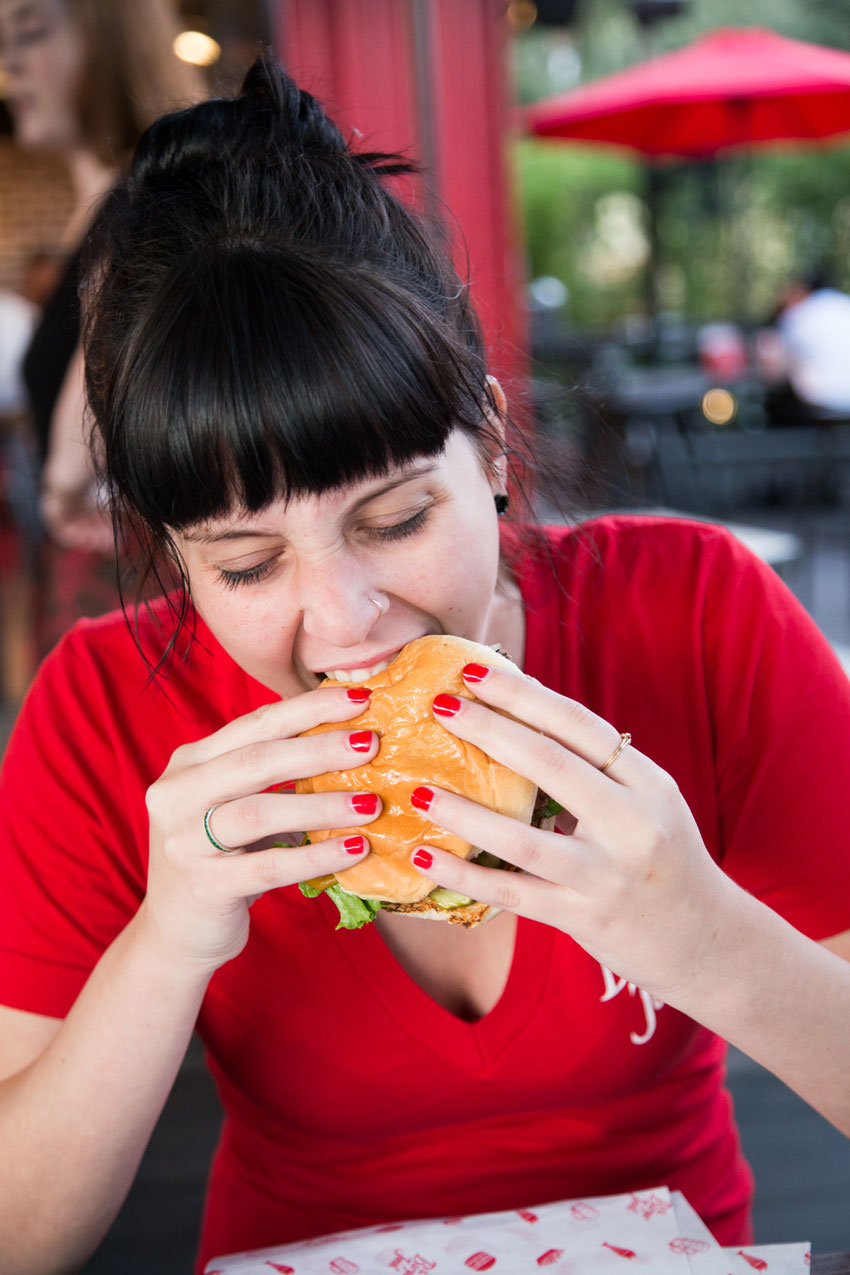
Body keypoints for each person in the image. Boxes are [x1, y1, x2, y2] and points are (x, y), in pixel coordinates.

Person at [2, 58, 850, 1275]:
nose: (345, 624)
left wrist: (702, 932)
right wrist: (170, 935)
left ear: (493, 442)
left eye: (396, 522)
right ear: (170, 555)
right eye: (245, 565)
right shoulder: (103, 709)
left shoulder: (693, 612)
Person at [0, 0, 205, 651]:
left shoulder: (139, 208)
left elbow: (75, 462)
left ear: (109, 44)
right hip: (123, 567)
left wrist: (64, 472)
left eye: (31, 33)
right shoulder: (111, 209)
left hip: (135, 572)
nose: (10, 63)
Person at [757, 271, 850, 427]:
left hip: (819, 408)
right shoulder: (844, 305)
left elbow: (772, 372)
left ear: (801, 290)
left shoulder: (797, 315)